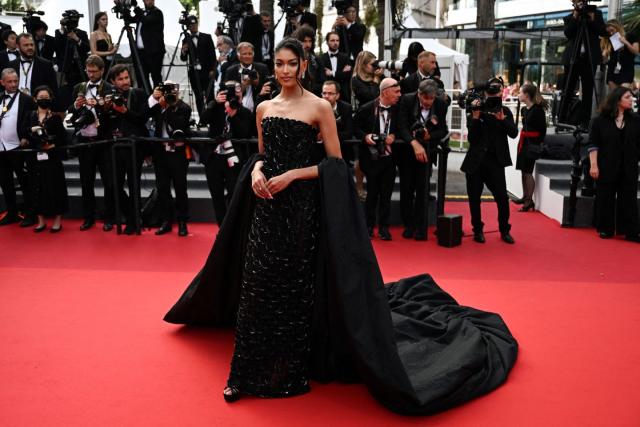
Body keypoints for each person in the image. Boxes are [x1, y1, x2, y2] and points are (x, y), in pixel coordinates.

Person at [163, 37, 518, 414]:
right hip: (267, 206)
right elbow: (264, 155)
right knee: (258, 284)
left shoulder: (319, 107)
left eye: (290, 64)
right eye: (278, 64)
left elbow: (334, 164)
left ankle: (288, 369)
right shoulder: (264, 107)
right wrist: (258, 173)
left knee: (294, 288)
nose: (284, 70)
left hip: (301, 206)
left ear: (303, 65)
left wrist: (292, 176)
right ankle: (243, 371)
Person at [461, 77, 518, 244]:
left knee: (501, 197)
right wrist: (477, 118)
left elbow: (513, 133)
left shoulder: (505, 111)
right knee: (474, 198)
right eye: (492, 91)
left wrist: (502, 120)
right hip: (476, 162)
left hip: (496, 162)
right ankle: (477, 230)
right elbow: (472, 138)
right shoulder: (476, 108)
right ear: (485, 93)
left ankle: (504, 230)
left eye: (499, 90)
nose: (496, 94)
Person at [396, 79, 449, 240]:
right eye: (425, 98)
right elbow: (401, 126)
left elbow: (442, 130)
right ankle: (408, 225)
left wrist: (429, 136)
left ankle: (420, 225)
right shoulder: (407, 100)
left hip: (427, 153)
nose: (427, 102)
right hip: (406, 152)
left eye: (431, 99)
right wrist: (413, 143)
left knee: (423, 190)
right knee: (406, 189)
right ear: (419, 94)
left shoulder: (441, 105)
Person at [68, 55, 115, 232]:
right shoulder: (79, 87)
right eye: (89, 71)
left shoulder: (109, 88)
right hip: (84, 141)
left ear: (102, 71)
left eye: (94, 71)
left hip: (103, 142)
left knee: (108, 182)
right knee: (86, 182)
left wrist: (99, 106)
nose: (91, 74)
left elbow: (112, 116)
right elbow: (71, 114)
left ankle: (109, 217)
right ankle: (88, 217)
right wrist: (76, 105)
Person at [588, 87, 640, 242]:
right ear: (617, 100)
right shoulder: (599, 121)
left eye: (632, 97)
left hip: (629, 166)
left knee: (629, 199)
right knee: (605, 198)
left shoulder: (636, 120)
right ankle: (605, 229)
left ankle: (631, 231)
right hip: (606, 165)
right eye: (627, 97)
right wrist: (593, 165)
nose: (631, 100)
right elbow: (593, 144)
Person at [199, 81, 255, 224]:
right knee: (216, 195)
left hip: (234, 160)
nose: (233, 98)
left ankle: (231, 227)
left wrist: (234, 115)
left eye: (237, 94)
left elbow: (245, 134)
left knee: (234, 194)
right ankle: (221, 226)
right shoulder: (216, 108)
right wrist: (213, 103)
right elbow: (202, 120)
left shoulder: (245, 112)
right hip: (214, 158)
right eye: (229, 94)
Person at [354, 78, 401, 240]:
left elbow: (403, 128)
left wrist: (394, 135)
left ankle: (384, 228)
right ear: (385, 91)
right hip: (371, 159)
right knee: (372, 195)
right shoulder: (366, 108)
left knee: (386, 196)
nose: (399, 95)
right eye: (396, 91)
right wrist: (365, 136)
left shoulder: (398, 109)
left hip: (389, 159)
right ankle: (368, 226)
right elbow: (355, 128)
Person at [107, 64, 151, 234]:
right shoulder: (109, 97)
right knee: (113, 185)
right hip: (115, 147)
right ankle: (132, 214)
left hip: (135, 147)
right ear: (113, 81)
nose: (125, 82)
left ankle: (133, 222)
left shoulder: (138, 94)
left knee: (134, 185)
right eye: (120, 79)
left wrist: (125, 111)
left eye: (126, 78)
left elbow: (141, 118)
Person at [148, 81, 192, 236]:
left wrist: (168, 107)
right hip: (160, 154)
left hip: (178, 154)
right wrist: (155, 101)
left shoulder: (184, 108)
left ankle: (182, 222)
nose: (169, 93)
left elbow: (178, 124)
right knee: (162, 188)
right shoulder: (159, 107)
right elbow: (144, 116)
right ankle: (166, 221)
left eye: (172, 89)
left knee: (180, 188)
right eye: (166, 90)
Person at [559, 0, 607, 127]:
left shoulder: (596, 14)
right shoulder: (569, 17)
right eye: (577, 2)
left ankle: (585, 123)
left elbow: (603, 31)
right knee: (567, 89)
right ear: (573, 4)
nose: (581, 4)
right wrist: (575, 16)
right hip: (572, 58)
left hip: (589, 58)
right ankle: (562, 120)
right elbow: (568, 33)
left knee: (588, 92)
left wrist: (591, 20)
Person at [26, 86, 68, 233]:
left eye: (46, 97)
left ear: (51, 99)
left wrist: (53, 145)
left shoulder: (55, 117)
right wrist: (30, 133)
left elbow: (64, 139)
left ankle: (57, 220)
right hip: (35, 159)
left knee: (55, 188)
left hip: (52, 159)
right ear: (34, 99)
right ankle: (41, 221)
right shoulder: (30, 116)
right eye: (40, 97)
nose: (43, 100)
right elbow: (23, 131)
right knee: (37, 188)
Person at [0, 68, 37, 227]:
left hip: (18, 148)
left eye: (15, 81)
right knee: (5, 183)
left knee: (25, 183)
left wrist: (26, 137)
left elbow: (32, 121)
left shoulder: (27, 99)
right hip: (1, 148)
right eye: (10, 81)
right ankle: (12, 213)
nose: (13, 84)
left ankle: (31, 214)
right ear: (2, 83)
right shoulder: (0, 98)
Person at [515, 83, 548, 212]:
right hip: (524, 142)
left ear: (527, 95)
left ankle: (529, 201)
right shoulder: (525, 109)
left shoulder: (537, 110)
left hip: (531, 144)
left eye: (520, 93)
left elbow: (542, 130)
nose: (518, 95)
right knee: (523, 170)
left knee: (528, 171)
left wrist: (536, 143)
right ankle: (525, 196)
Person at [179, 15, 216, 117]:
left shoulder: (207, 37)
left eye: (194, 24)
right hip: (194, 73)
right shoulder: (185, 39)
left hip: (207, 71)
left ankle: (211, 117)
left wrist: (213, 70)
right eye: (190, 25)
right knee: (198, 96)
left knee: (210, 95)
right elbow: (183, 58)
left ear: (197, 24)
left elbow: (212, 55)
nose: (193, 27)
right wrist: (183, 51)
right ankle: (202, 118)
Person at [54, 11, 91, 109]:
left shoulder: (82, 33)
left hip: (81, 69)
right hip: (68, 69)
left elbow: (87, 48)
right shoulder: (60, 33)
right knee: (69, 92)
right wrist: (62, 27)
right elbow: (57, 45)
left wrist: (77, 39)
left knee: (83, 89)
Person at [8, 34, 58, 99]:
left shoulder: (46, 65)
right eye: (26, 45)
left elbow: (53, 90)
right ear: (18, 46)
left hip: (37, 106)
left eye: (31, 45)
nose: (30, 48)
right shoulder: (11, 65)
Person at [223, 42, 269, 113]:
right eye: (244, 54)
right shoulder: (231, 71)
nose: (247, 56)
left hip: (259, 108)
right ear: (238, 56)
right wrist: (242, 87)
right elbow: (227, 93)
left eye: (250, 54)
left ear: (253, 55)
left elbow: (267, 91)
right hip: (238, 110)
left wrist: (256, 83)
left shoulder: (262, 68)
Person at [320, 80, 353, 165]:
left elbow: (348, 132)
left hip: (341, 150)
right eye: (324, 93)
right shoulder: (315, 108)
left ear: (337, 95)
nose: (326, 96)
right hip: (320, 152)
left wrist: (326, 135)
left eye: (330, 93)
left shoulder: (346, 108)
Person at [601, 20, 639, 90]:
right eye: (609, 32)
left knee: (622, 93)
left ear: (618, 27)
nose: (611, 33)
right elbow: (605, 61)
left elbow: (636, 52)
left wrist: (626, 43)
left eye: (612, 30)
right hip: (612, 71)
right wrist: (604, 56)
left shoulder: (630, 36)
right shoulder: (609, 40)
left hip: (626, 70)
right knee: (615, 97)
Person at [135, 0, 165, 88]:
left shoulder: (157, 13)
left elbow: (146, 21)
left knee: (156, 76)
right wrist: (125, 10)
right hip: (142, 52)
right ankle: (147, 98)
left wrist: (136, 7)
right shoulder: (142, 12)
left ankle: (157, 98)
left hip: (154, 51)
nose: (150, 1)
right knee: (143, 77)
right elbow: (131, 19)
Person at [318, 31, 352, 101]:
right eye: (332, 40)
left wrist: (332, 73)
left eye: (337, 40)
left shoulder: (345, 57)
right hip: (327, 96)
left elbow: (348, 76)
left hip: (343, 95)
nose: (335, 43)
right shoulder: (321, 58)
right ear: (327, 42)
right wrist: (341, 73)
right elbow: (323, 78)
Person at [292, 25, 324, 96]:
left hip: (314, 96)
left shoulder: (316, 60)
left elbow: (322, 82)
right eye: (305, 41)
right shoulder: (292, 60)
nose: (308, 44)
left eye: (310, 41)